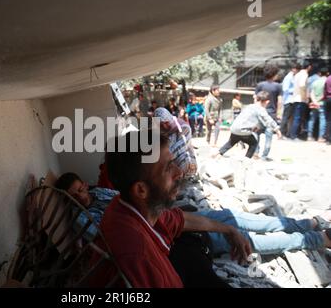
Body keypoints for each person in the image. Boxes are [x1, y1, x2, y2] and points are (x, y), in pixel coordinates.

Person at [58, 171, 331, 265]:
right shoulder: (84, 219)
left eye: (82, 188)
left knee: (232, 217)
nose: (82, 195)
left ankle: (306, 224)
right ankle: (315, 239)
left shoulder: (102, 193)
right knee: (243, 239)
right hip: (171, 233)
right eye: (75, 194)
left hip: (171, 218)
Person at [88, 129, 251, 288]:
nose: (179, 172)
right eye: (167, 168)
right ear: (141, 190)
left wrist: (229, 230)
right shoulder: (140, 255)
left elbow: (180, 219)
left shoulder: (127, 205)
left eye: (173, 163)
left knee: (193, 246)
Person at [217, 91, 282, 159]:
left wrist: (256, 126)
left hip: (234, 128)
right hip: (242, 130)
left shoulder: (250, 106)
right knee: (253, 143)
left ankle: (217, 153)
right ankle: (246, 159)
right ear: (267, 102)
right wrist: (277, 130)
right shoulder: (260, 109)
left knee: (231, 142)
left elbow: (250, 119)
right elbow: (268, 119)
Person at [254, 65, 282, 160]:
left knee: (256, 133)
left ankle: (256, 152)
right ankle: (264, 156)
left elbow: (255, 99)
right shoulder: (278, 86)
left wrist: (255, 110)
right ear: (274, 75)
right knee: (268, 135)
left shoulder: (260, 85)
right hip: (271, 113)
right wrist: (279, 113)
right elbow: (280, 101)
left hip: (259, 113)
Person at [289, 61, 312, 140]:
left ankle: (293, 134)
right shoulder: (304, 74)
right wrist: (305, 96)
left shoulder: (297, 74)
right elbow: (302, 85)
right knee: (298, 118)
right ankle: (294, 136)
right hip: (300, 99)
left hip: (295, 98)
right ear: (309, 67)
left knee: (296, 117)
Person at [307, 67, 328, 142]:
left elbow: (311, 93)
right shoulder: (327, 81)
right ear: (327, 73)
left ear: (320, 73)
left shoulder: (315, 82)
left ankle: (309, 136)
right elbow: (325, 94)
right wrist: (318, 101)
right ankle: (320, 137)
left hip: (314, 103)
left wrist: (314, 101)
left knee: (312, 119)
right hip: (322, 103)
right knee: (323, 120)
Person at [280, 63, 300, 136]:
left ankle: (287, 132)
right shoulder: (289, 77)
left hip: (292, 99)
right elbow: (285, 89)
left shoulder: (293, 77)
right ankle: (282, 132)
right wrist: (295, 90)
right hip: (288, 99)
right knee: (286, 117)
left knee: (289, 117)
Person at [324, 71, 331, 144]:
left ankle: (328, 139)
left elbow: (325, 90)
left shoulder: (328, 78)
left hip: (328, 99)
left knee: (328, 119)